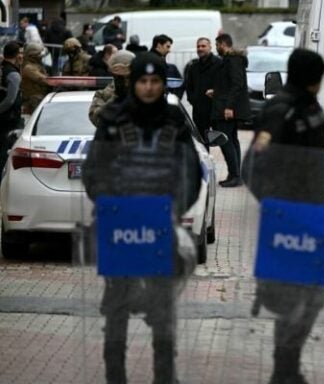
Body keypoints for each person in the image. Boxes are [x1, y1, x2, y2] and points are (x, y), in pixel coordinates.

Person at [82, 52, 201, 384]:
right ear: (132, 83)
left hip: (161, 225)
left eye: (155, 82)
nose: (148, 88)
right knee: (116, 309)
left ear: (163, 84)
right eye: (142, 81)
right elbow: (94, 171)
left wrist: (177, 208)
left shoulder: (174, 119)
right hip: (120, 225)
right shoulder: (113, 118)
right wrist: (110, 205)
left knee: (163, 310)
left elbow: (190, 171)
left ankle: (165, 376)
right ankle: (115, 376)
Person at [243, 48, 324, 384]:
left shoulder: (311, 107)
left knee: (311, 296)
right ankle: (284, 369)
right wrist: (274, 203)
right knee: (288, 295)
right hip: (286, 215)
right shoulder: (280, 108)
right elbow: (253, 165)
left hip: (312, 214)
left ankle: (288, 365)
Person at [211, 33, 250, 187]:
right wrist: (216, 91)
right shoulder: (229, 60)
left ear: (223, 44)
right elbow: (228, 84)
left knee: (227, 142)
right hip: (225, 106)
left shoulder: (233, 60)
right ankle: (234, 175)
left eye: (217, 45)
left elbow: (237, 84)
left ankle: (235, 176)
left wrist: (228, 107)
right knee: (232, 141)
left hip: (227, 109)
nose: (216, 48)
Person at [184, 37, 221, 148]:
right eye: (198, 46)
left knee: (224, 142)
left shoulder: (219, 64)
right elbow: (189, 86)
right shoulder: (193, 66)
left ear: (210, 47)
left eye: (203, 46)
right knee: (202, 144)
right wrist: (192, 100)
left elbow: (225, 84)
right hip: (199, 111)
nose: (200, 48)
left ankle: (234, 166)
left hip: (215, 109)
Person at [88, 50, 135, 127]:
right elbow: (97, 119)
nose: (126, 82)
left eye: (128, 77)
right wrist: (116, 98)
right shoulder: (104, 94)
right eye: (121, 78)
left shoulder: (143, 92)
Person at [0, 42, 23, 171]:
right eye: (21, 53)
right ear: (17, 55)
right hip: (8, 119)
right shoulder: (13, 74)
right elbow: (10, 100)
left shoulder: (2, 68)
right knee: (5, 152)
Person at [21, 42, 49, 113]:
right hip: (33, 100)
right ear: (32, 56)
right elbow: (44, 80)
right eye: (39, 55)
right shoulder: (29, 68)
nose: (41, 57)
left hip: (40, 97)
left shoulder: (37, 65)